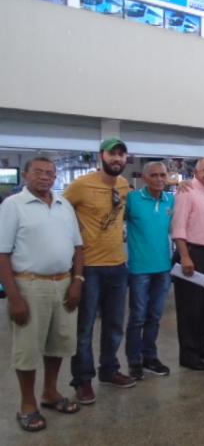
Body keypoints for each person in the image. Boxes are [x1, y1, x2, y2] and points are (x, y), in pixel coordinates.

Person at [0, 157, 83, 432]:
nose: (45, 177)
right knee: (27, 348)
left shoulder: (64, 205)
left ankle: (50, 392)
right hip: (29, 285)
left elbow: (78, 246)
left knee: (58, 342)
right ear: (25, 175)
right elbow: (2, 253)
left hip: (63, 283)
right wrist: (14, 297)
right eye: (38, 172)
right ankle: (27, 403)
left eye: (50, 172)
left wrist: (77, 281)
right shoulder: (13, 206)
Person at [65, 138, 135, 405]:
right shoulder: (81, 185)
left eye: (121, 155)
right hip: (90, 267)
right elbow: (61, 209)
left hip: (118, 266)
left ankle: (109, 370)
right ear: (101, 156)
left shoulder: (124, 185)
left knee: (115, 325)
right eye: (112, 154)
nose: (117, 159)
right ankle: (82, 380)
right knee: (84, 329)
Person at [125, 161, 174, 380]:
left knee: (154, 317)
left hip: (163, 268)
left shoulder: (170, 200)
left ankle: (150, 357)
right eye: (154, 175)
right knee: (137, 318)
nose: (159, 179)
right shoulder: (133, 200)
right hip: (139, 269)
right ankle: (134, 361)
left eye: (163, 175)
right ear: (145, 178)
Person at [171, 158, 204, 371]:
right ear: (197, 171)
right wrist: (185, 256)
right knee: (189, 309)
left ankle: (201, 347)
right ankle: (188, 354)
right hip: (191, 254)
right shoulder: (187, 191)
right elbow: (178, 226)